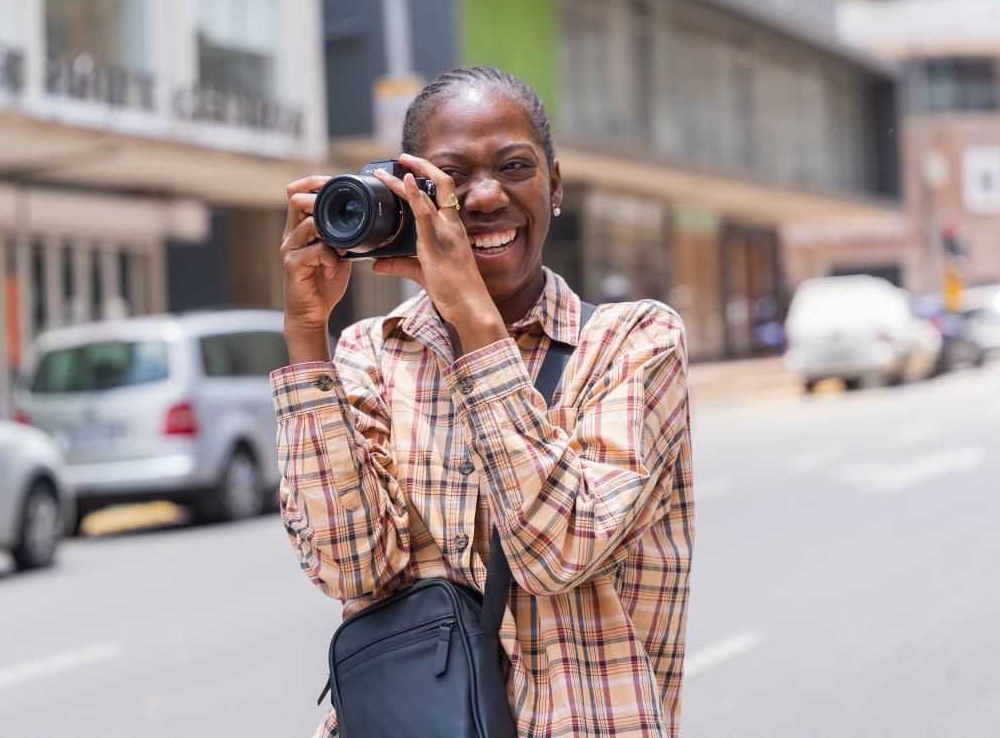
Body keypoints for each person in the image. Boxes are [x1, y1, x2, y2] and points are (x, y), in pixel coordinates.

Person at [273, 66, 694, 737]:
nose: (487, 195)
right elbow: (349, 568)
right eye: (452, 176)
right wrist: (305, 335)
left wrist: (472, 315)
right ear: (410, 195)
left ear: (553, 185)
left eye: (515, 166)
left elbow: (558, 551)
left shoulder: (634, 341)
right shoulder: (370, 354)